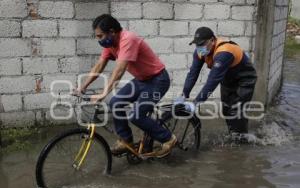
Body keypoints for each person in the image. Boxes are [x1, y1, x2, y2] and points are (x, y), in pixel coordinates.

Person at [75, 14, 177, 157]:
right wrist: (82, 87)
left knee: (136, 115)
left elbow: (119, 70)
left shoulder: (127, 39)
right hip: (141, 80)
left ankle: (168, 138)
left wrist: (104, 93)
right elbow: (99, 66)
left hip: (157, 80)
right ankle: (126, 141)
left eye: (100, 36)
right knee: (116, 102)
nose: (98, 40)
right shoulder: (110, 44)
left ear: (112, 31)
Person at [177, 27, 257, 142]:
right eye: (197, 45)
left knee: (237, 110)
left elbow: (212, 82)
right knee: (226, 110)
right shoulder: (200, 52)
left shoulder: (224, 52)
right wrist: (184, 94)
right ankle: (234, 134)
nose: (200, 47)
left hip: (244, 79)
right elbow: (193, 74)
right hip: (228, 78)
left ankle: (242, 139)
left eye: (203, 44)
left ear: (212, 40)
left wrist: (196, 103)